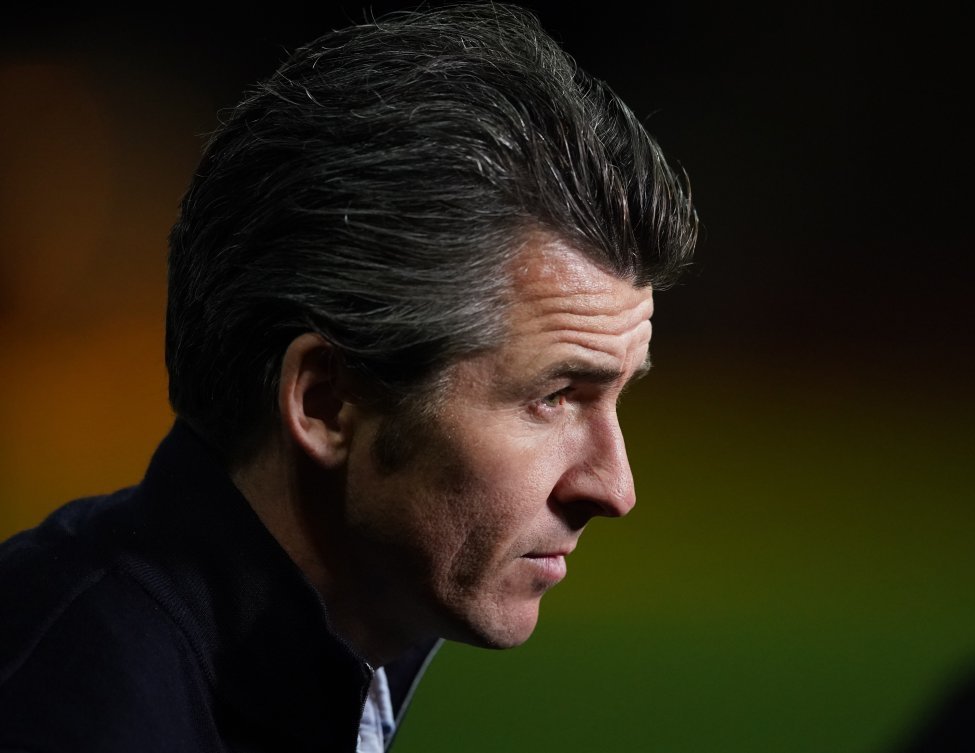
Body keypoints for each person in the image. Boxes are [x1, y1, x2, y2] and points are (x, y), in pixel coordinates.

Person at [0, 4, 697, 751]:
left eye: (618, 394)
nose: (615, 489)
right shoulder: (78, 712)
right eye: (553, 397)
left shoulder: (300, 663)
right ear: (325, 402)